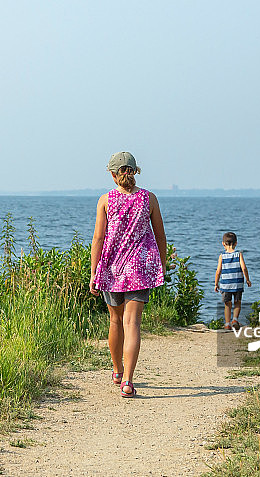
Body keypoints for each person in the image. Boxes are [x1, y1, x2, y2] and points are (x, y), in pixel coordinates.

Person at [90, 151, 168, 398]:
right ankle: (128, 381)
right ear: (134, 171)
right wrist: (162, 265)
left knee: (115, 321)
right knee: (132, 323)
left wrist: (94, 272)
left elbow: (98, 238)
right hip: (140, 269)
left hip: (111, 269)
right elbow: (160, 236)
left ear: (113, 175)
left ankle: (116, 370)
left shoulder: (105, 200)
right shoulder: (149, 199)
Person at [214, 232, 252, 330]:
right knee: (237, 302)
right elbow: (244, 268)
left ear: (223, 243)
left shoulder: (222, 256)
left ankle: (227, 324)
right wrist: (247, 279)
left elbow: (218, 271)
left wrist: (216, 283)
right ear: (236, 243)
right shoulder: (239, 254)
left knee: (227, 304)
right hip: (238, 283)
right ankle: (235, 320)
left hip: (226, 285)